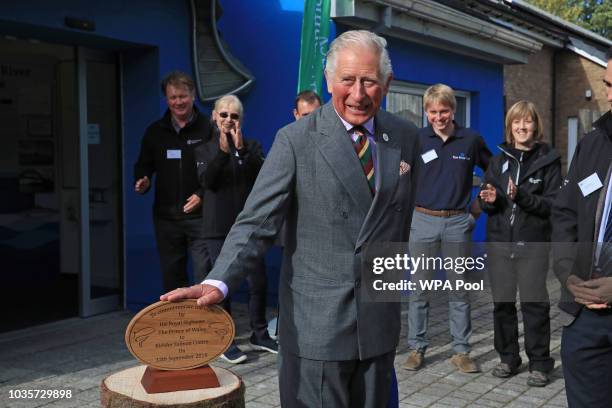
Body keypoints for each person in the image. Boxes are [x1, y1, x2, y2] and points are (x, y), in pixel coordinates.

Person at [161, 30, 420, 407]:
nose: (359, 93)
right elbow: (257, 220)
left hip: (379, 320)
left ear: (388, 82)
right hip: (318, 326)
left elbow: (399, 219)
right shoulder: (295, 140)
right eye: (347, 80)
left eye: (370, 81)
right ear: (330, 81)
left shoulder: (405, 136)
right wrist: (220, 279)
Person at [404, 83, 491, 373]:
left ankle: (461, 351)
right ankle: (416, 347)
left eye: (444, 111)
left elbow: (495, 174)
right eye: (432, 112)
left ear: (453, 110)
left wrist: (476, 211)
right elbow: (401, 179)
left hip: (457, 222)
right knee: (419, 290)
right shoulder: (416, 140)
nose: (438, 117)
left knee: (459, 289)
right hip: (422, 220)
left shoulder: (471, 140)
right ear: (425, 112)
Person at [479, 101, 560, 386]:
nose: (521, 127)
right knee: (502, 305)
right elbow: (490, 197)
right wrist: (488, 200)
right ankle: (508, 358)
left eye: (527, 122)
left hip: (533, 244)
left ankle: (540, 363)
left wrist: (522, 197)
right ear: (510, 126)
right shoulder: (498, 160)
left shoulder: (548, 160)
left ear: (536, 125)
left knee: (534, 304)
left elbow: (552, 205)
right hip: (500, 243)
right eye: (516, 122)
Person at [195, 94, 276, 364]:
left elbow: (262, 177)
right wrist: (223, 152)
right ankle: (224, 340)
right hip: (217, 228)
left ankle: (259, 334)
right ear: (214, 117)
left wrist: (240, 152)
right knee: (223, 284)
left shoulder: (251, 147)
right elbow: (208, 181)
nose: (229, 120)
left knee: (258, 282)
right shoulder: (204, 149)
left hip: (248, 228)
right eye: (224, 115)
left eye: (234, 116)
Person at [552, 46, 612, 407]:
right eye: (608, 84)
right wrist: (567, 273)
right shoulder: (594, 141)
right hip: (585, 317)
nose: (611, 95)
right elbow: (564, 213)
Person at [134, 71, 212, 291]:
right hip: (166, 219)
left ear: (193, 96)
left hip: (200, 218)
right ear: (166, 99)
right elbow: (143, 164)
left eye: (182, 96)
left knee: (203, 276)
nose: (178, 102)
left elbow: (219, 167)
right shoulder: (155, 131)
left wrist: (202, 194)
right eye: (173, 97)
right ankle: (178, 324)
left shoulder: (208, 128)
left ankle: (206, 325)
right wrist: (142, 179)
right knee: (171, 277)